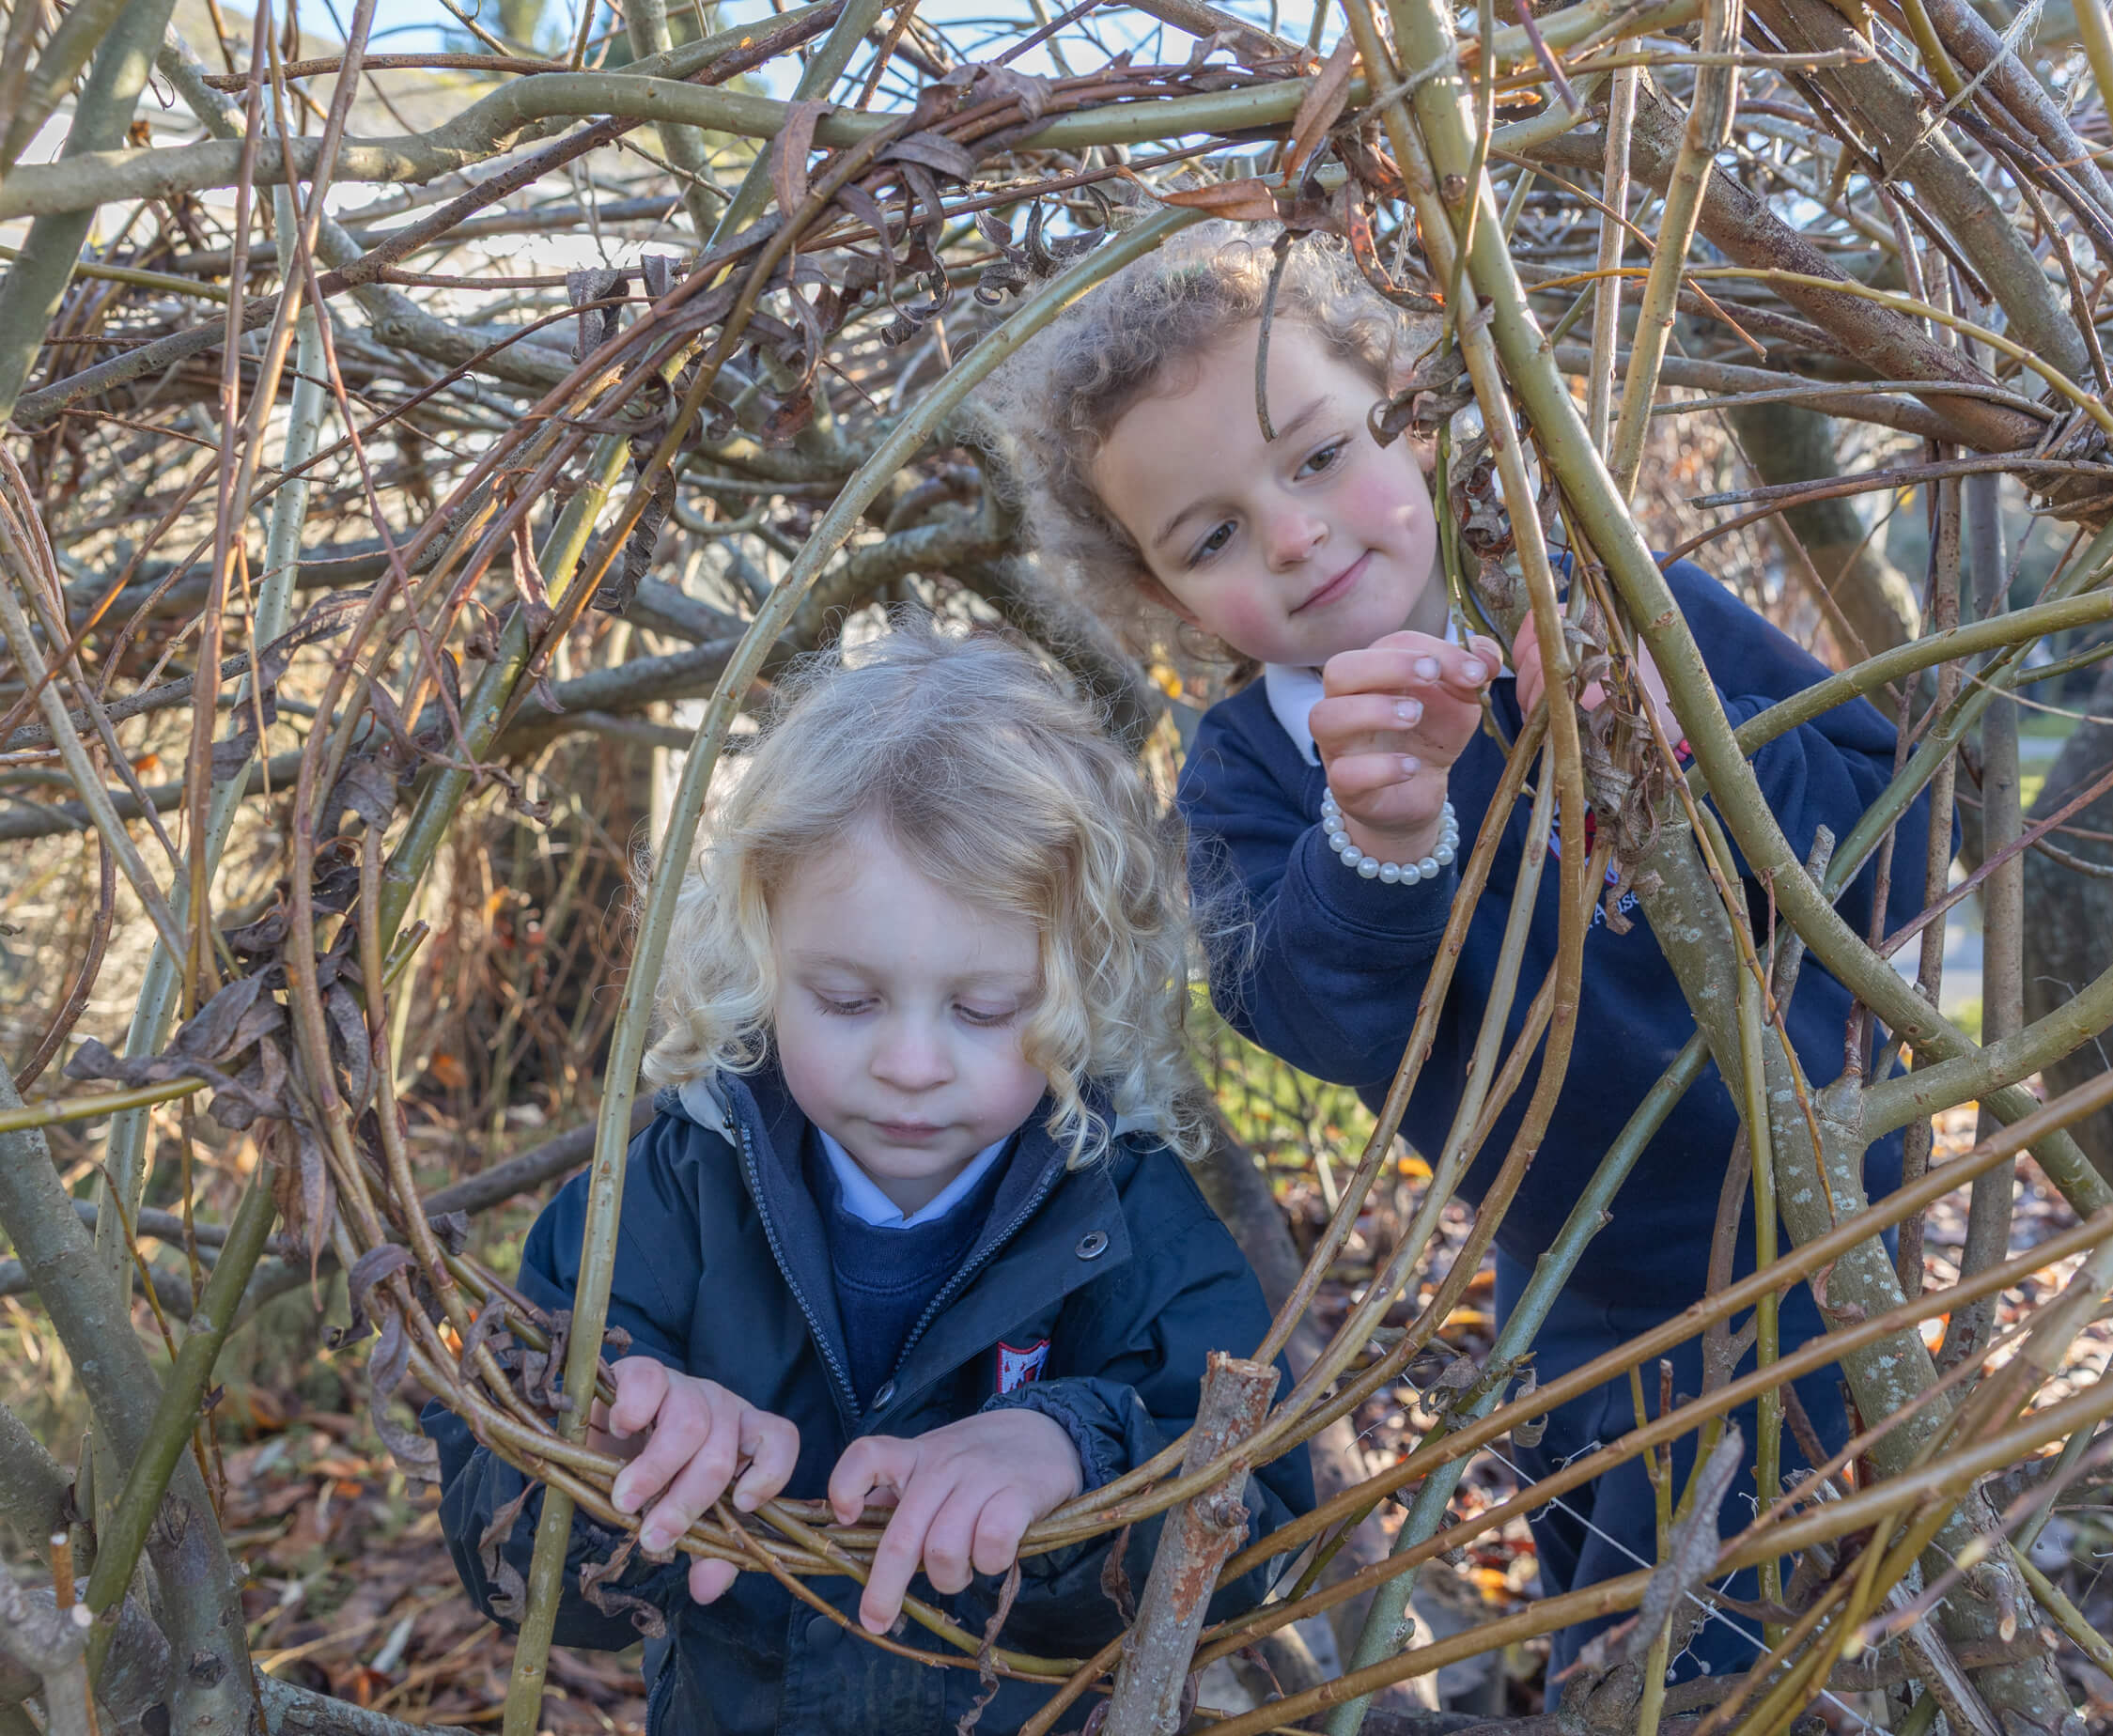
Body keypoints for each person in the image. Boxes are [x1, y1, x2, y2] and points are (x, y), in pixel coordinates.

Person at [983, 229, 1932, 1697]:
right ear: (1166, 604)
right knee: (1614, 1620)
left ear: (1410, 414)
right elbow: (1296, 1001)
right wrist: (1378, 831)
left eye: (1312, 459)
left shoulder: (1629, 602)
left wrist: (1685, 758)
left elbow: (1896, 831)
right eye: (1212, 537)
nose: (1292, 537)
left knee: (1753, 1634)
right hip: (1577, 1283)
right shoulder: (1256, 779)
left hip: (1822, 1229)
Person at [427, 618, 1313, 1735]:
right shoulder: (662, 1195)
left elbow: (1256, 1528)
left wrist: (1077, 1448)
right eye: (844, 1001)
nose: (906, 1064)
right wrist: (601, 1451)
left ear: (1084, 985)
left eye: (984, 1010)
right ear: (760, 953)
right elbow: (506, 1560)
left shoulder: (1125, 1209)